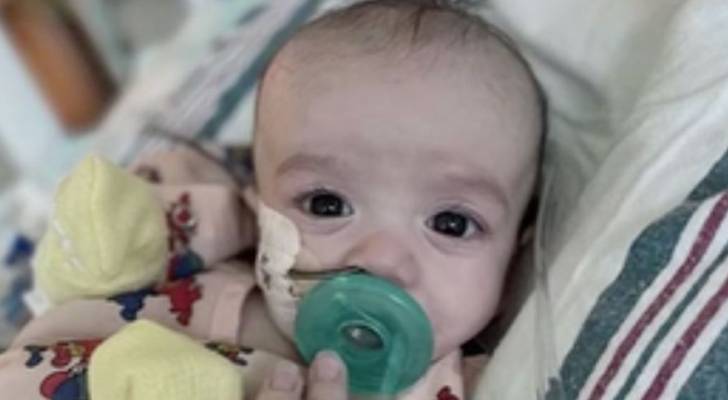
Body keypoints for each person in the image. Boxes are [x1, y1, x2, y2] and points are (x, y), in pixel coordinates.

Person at [0, 1, 545, 399]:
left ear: (514, 256)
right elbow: (118, 230)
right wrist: (116, 236)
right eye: (326, 204)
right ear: (261, 201)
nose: (381, 260)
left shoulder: (463, 387)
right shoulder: (222, 222)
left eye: (451, 223)